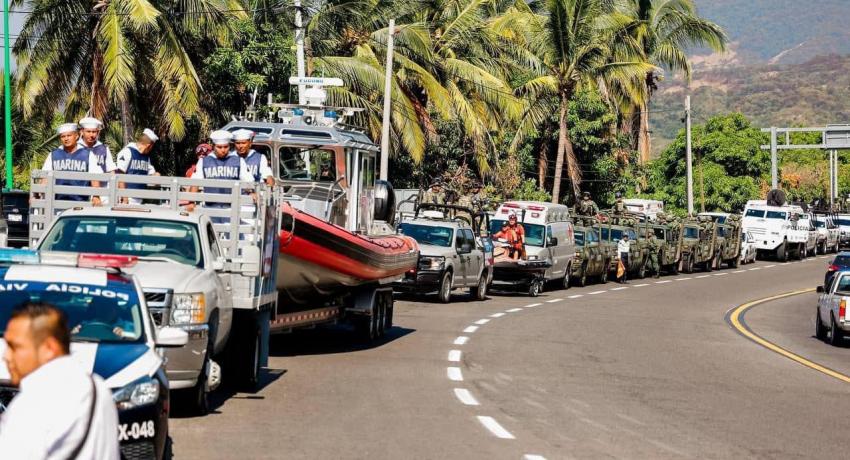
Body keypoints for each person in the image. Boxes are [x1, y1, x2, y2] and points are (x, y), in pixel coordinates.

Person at [0, 303, 119, 459]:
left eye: (14, 347)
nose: (6, 356)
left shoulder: (33, 404)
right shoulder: (98, 387)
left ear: (49, 348)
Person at [188, 130, 255, 237]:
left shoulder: (238, 161)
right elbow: (195, 183)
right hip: (210, 207)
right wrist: (191, 202)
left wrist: (252, 192)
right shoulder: (204, 161)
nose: (223, 150)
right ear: (213, 146)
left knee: (233, 238)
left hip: (231, 208)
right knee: (211, 237)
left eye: (226, 147)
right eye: (219, 147)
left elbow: (248, 181)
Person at [41, 123, 104, 204]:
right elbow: (45, 178)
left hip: (81, 202)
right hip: (56, 202)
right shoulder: (53, 155)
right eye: (63, 136)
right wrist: (39, 194)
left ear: (76, 136)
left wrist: (96, 196)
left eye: (69, 135)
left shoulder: (87, 155)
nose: (66, 139)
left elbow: (95, 177)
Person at [115, 128, 159, 204]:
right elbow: (120, 174)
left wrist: (157, 175)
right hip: (126, 198)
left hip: (139, 198)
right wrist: (124, 196)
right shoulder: (127, 152)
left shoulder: (146, 157)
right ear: (149, 145)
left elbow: (152, 173)